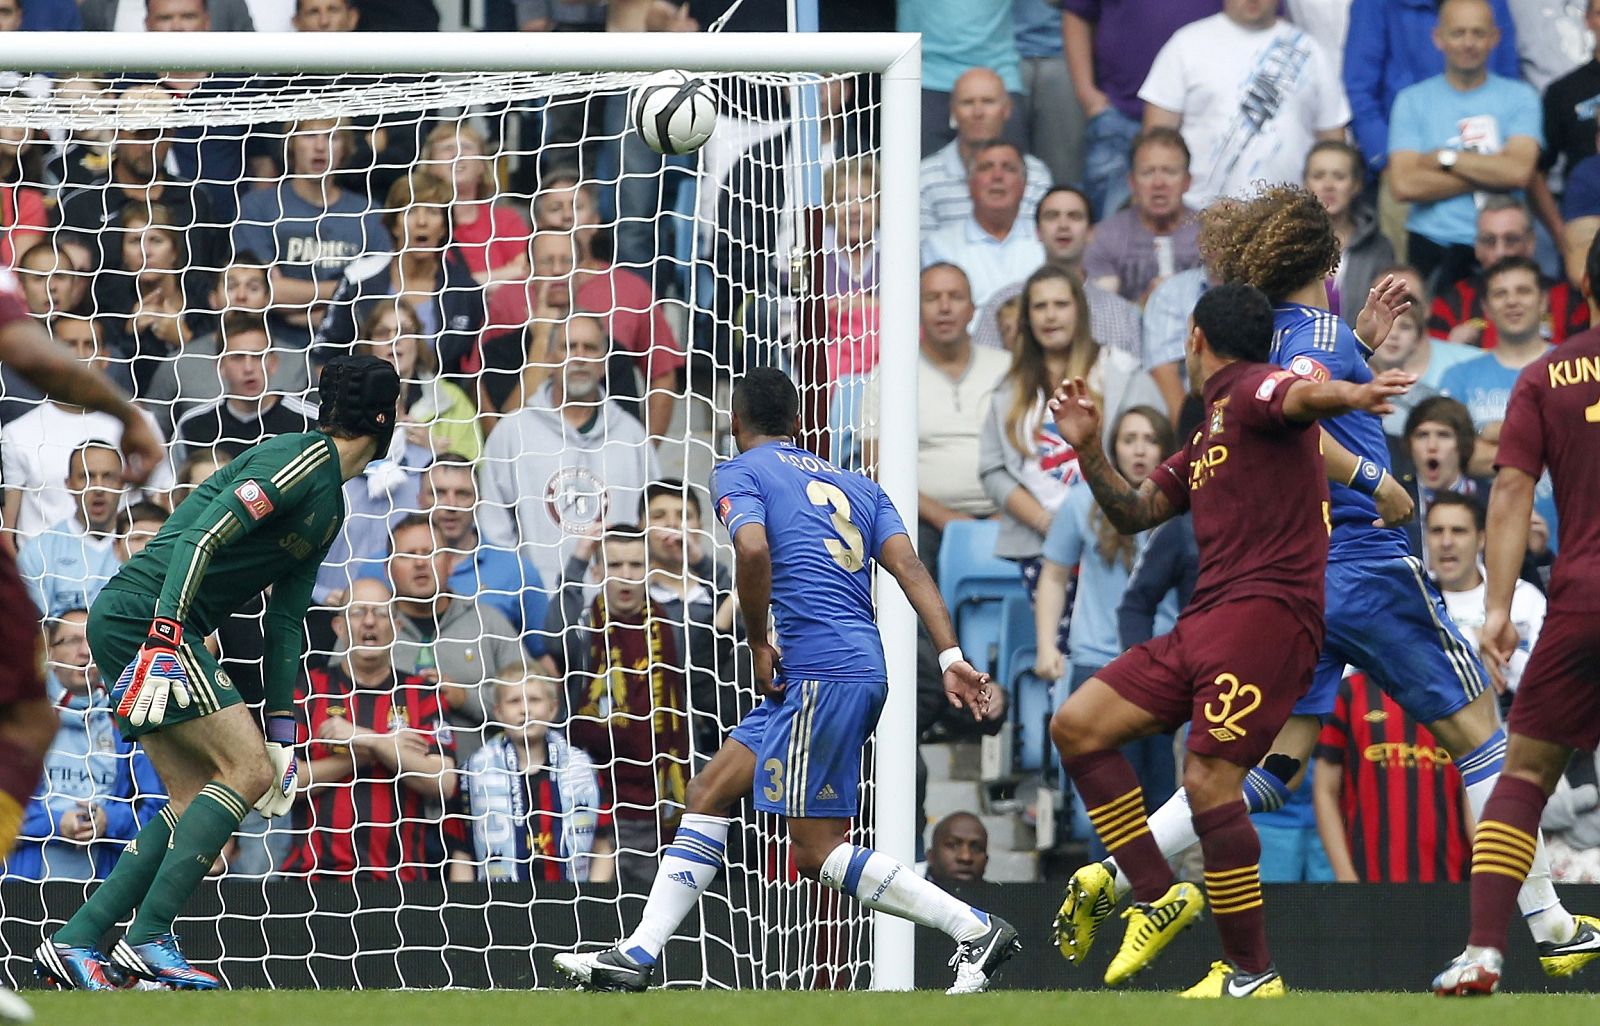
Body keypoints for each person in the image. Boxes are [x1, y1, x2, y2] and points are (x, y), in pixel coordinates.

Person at [1059, 187, 1595, 991]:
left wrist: (1360, 348)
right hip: (1365, 562)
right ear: (1327, 255)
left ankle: (1116, 870)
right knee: (1483, 736)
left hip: (1294, 585)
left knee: (1269, 769)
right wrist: (1374, 475)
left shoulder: (1266, 342)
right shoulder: (1316, 337)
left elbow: (1287, 396)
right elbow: (1299, 407)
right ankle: (1550, 924)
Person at [553, 367, 1018, 996]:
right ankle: (637, 954)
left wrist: (755, 641)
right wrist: (949, 656)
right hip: (845, 668)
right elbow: (909, 566)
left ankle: (974, 929)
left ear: (734, 422)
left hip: (821, 673)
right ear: (799, 423)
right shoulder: (859, 485)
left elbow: (751, 550)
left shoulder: (739, 471)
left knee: (817, 850)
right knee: (708, 792)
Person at [1046, 283, 1412, 996]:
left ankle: (1253, 972)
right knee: (1077, 725)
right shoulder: (1211, 429)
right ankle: (1157, 897)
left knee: (1209, 780)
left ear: (1194, 338)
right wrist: (1089, 449)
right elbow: (1136, 511)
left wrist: (1351, 394)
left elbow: (1296, 397)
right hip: (1207, 622)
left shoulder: (1251, 390)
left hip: (1266, 621)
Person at [32, 354, 397, 992]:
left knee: (195, 794)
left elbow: (286, 621)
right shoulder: (299, 461)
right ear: (385, 420)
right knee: (244, 772)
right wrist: (166, 634)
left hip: (144, 620)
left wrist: (282, 729)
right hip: (149, 618)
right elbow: (201, 539)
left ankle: (76, 940)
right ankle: (148, 939)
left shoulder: (329, 505)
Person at [1431, 239, 1600, 997]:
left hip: (1581, 602)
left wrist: (1498, 609)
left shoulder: (1544, 376)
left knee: (1523, 776)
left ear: (1582, 286)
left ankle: (1485, 952)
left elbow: (1508, 492)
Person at [0, 271, 158, 1020]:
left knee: (32, 720)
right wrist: (128, 413)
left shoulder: (131, 557)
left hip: (108, 713)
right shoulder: (42, 553)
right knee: (31, 716)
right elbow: (26, 349)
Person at [1035, 406, 1180, 832]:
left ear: (1166, 449)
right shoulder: (1082, 501)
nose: (1139, 450)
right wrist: (1046, 645)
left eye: (1150, 439)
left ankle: (1158, 879)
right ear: (1113, 448)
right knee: (1113, 805)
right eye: (1129, 439)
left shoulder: (1183, 506)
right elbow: (1054, 574)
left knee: (1163, 800)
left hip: (1165, 666)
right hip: (1097, 664)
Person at [978, 265, 1161, 599]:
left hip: (1116, 540)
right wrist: (1047, 524)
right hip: (1038, 543)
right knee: (1054, 635)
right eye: (1040, 306)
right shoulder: (1008, 387)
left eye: (1061, 304)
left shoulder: (1122, 372)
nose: (1050, 315)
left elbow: (1155, 450)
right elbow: (992, 469)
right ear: (1027, 317)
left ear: (1080, 311)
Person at [281, 577, 458, 881]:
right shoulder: (306, 689)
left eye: (380, 612)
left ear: (397, 627)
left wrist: (364, 738)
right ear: (339, 627)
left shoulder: (423, 693)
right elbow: (285, 784)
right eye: (358, 612)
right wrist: (377, 749)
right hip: (313, 878)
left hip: (400, 880)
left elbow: (443, 782)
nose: (369, 622)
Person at [550, 526, 691, 887]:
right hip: (592, 802)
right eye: (615, 565)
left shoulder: (674, 624)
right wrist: (579, 558)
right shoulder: (581, 624)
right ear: (597, 570)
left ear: (651, 569)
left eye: (635, 565)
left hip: (659, 804)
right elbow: (549, 639)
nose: (626, 575)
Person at [479, 315, 659, 590]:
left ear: (604, 363)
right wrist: (518, 594)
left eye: (590, 348)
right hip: (534, 601)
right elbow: (495, 529)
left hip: (615, 605)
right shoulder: (512, 433)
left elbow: (651, 521)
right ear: (549, 359)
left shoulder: (632, 436)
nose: (579, 357)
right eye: (569, 347)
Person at [1387, 0, 1541, 293]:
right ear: (1438, 38)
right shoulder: (1411, 101)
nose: (1468, 43)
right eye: (1458, 33)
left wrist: (1445, 159)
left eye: (1478, 33)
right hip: (1434, 244)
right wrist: (1495, 169)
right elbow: (1404, 184)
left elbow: (1520, 173)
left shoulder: (1522, 97)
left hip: (1505, 245)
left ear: (1494, 38)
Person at [1139, 0, 1349, 210]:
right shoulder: (1186, 45)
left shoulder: (1309, 50)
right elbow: (1155, 142)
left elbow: (1333, 142)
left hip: (1291, 216)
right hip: (1198, 214)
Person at [3, 609, 164, 883]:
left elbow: (156, 812)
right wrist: (56, 823)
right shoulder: (22, 722)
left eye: (91, 641)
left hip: (103, 884)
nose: (85, 652)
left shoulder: (128, 723)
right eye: (72, 641)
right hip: (22, 888)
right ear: (49, 652)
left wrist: (109, 820)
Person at [232, 117, 392, 363]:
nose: (320, 146)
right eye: (309, 136)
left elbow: (377, 296)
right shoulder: (258, 206)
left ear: (345, 147)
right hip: (272, 354)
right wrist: (344, 295)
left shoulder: (369, 214)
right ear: (291, 144)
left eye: (332, 137)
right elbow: (264, 291)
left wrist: (297, 304)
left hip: (349, 356)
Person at [1, 324, 171, 544]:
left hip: (126, 561)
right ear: (49, 354)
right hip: (44, 563)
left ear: (105, 357)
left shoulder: (139, 424)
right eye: (69, 345)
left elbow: (163, 500)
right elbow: (8, 529)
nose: (80, 354)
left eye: (89, 345)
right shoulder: (18, 433)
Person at [313, 171, 485, 378]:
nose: (421, 221)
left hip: (439, 397)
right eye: (410, 211)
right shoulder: (357, 279)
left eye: (432, 212)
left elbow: (473, 369)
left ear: (444, 228)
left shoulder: (466, 291)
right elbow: (323, 359)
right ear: (394, 225)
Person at [1061, 0, 1221, 219]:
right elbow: (1077, 12)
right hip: (1121, 116)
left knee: (1204, 231)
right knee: (1113, 231)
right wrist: (1088, 95)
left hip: (1205, 120)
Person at [384, 515, 524, 765]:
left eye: (430, 553)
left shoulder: (488, 623)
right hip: (390, 781)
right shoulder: (369, 628)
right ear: (388, 569)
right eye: (408, 555)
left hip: (483, 779)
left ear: (449, 562)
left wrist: (465, 698)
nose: (420, 563)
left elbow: (531, 701)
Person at [450, 672, 615, 883]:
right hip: (500, 900)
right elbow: (462, 856)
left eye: (535, 700)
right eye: (514, 701)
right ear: (498, 712)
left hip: (571, 897)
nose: (525, 709)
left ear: (553, 709)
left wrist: (591, 897)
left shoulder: (581, 769)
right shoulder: (474, 773)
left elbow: (602, 849)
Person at [1312, 672, 1472, 882]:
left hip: (1451, 879)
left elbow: (1472, 791)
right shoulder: (1347, 693)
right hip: (1368, 880)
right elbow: (1325, 790)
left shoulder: (1458, 695)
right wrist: (1345, 875)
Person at [903, 264, 1011, 576]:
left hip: (1008, 513)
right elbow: (878, 465)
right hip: (922, 520)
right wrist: (944, 517)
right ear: (916, 308)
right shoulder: (891, 376)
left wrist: (1009, 513)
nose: (945, 307)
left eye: (955, 296)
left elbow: (1037, 452)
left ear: (972, 309)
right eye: (932, 298)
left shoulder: (1010, 369)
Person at [975, 186, 1142, 361]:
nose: (1063, 225)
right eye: (1052, 216)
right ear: (1038, 232)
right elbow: (983, 369)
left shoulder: (1120, 313)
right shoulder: (1002, 303)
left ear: (1091, 233)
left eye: (1074, 216)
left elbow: (1132, 374)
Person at [414, 456, 548, 660]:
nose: (451, 505)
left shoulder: (517, 572)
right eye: (438, 493)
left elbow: (544, 660)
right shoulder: (382, 567)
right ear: (419, 500)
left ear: (479, 501)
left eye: (462, 494)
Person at [1439, 256, 1554, 474]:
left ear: (1543, 301)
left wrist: (1492, 434)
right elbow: (1449, 455)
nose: (1512, 301)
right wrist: (1543, 444)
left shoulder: (1572, 367)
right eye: (1500, 294)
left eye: (1523, 291)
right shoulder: (1458, 377)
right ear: (1486, 307)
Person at [1427, 492, 1546, 699]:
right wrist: (1474, 639)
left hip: (1517, 713)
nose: (1446, 542)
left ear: (1481, 539)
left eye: (1458, 531)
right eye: (1437, 531)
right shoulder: (1413, 599)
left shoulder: (1522, 597)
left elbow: (1551, 676)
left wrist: (1504, 657)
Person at [1428, 199, 1590, 349]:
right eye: (1489, 241)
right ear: (1477, 247)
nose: (1500, 252)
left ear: (1531, 243)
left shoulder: (1570, 301)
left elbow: (1589, 360)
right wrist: (1450, 349)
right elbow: (1430, 364)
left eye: (1511, 240)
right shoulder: (1449, 303)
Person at [919, 68, 1054, 237]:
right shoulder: (925, 178)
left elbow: (1036, 244)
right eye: (968, 102)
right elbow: (923, 249)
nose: (978, 113)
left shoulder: (1035, 174)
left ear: (1007, 109)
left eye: (988, 102)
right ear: (953, 111)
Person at [171, 315, 317, 469]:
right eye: (238, 358)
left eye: (257, 356)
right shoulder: (192, 426)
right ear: (220, 366)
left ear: (273, 363)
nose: (248, 368)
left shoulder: (309, 421)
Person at [921, 140, 1046, 311]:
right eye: (986, 167)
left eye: (1008, 168)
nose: (997, 176)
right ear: (969, 183)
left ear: (1024, 185)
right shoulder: (940, 246)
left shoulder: (1045, 242)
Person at [1083, 128, 1202, 305]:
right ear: (1132, 182)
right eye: (1147, 172)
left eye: (1169, 172)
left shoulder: (1209, 234)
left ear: (1187, 181)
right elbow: (1098, 310)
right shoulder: (1105, 237)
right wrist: (1143, 305)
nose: (1158, 183)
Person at [16, 442, 125, 617]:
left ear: (122, 483)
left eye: (108, 476)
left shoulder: (143, 547)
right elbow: (35, 628)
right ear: (69, 484)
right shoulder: (38, 552)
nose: (98, 487)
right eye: (86, 476)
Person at [1529, 0, 1600, 246]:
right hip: (1583, 218)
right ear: (1587, 20)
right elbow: (1537, 170)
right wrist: (1561, 233)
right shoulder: (1563, 91)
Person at [1305, 141, 1397, 326]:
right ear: (1305, 183)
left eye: (1339, 176)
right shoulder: (1287, 243)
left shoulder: (1379, 248)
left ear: (1356, 185)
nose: (1329, 185)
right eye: (1318, 176)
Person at [1400, 396, 1492, 556]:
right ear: (1410, 444)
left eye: (1443, 435)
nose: (1432, 446)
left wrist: (1537, 550)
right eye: (1422, 435)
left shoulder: (1492, 500)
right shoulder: (1396, 500)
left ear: (1463, 444)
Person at [924, 811, 989, 887]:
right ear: (931, 856)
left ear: (986, 860)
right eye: (953, 845)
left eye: (976, 848)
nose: (966, 857)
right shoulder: (913, 891)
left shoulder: (995, 893)